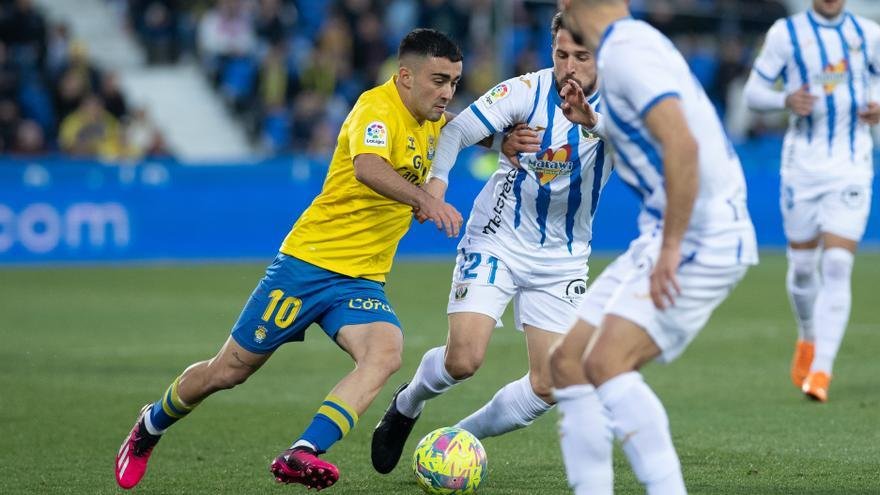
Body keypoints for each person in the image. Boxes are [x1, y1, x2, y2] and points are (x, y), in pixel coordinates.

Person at [114, 28, 465, 491]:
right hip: (307, 265)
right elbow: (368, 167)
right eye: (438, 80)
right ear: (404, 76)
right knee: (229, 371)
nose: (447, 92)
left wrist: (503, 139)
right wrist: (426, 200)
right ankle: (150, 426)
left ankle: (303, 451)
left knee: (385, 352)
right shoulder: (376, 109)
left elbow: (460, 127)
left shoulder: (430, 117)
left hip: (359, 281)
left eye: (454, 82)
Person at [370, 12, 614, 475]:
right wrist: (435, 189)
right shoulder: (525, 90)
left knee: (549, 384)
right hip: (497, 238)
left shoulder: (623, 105)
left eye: (581, 57)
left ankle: (458, 440)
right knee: (463, 360)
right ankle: (409, 402)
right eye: (561, 55)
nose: (569, 67)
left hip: (563, 259)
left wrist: (593, 120)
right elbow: (457, 130)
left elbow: (648, 149)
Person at [550, 1, 758, 493]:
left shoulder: (627, 54)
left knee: (605, 363)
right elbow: (659, 131)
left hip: (701, 236)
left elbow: (682, 144)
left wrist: (671, 249)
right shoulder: (627, 45)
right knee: (567, 363)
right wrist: (592, 120)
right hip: (666, 232)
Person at [743, 0, 880, 402]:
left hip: (852, 164)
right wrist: (785, 99)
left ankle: (821, 370)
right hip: (801, 166)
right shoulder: (786, 34)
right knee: (803, 268)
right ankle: (807, 336)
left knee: (837, 264)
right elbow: (753, 92)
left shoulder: (868, 34)